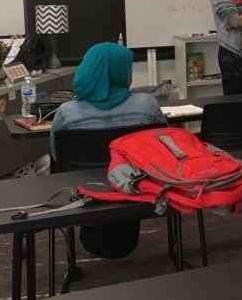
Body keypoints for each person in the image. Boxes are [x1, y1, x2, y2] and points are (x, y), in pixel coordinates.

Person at [50, 42, 167, 257]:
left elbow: (58, 156)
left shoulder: (66, 113)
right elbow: (162, 148)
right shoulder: (147, 105)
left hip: (85, 190)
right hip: (136, 187)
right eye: (128, 69)